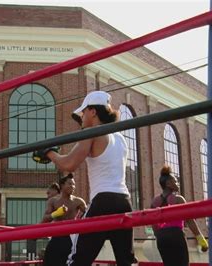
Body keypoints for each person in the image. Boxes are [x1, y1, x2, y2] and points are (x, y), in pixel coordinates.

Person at [33, 91, 137, 266]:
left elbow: (68, 164)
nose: (81, 116)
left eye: (83, 112)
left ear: (93, 112)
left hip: (103, 200)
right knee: (126, 261)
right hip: (124, 202)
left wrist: (49, 152)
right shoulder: (120, 138)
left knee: (78, 259)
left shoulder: (92, 132)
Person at [150, 165, 208, 266]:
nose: (178, 183)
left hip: (161, 237)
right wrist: (201, 239)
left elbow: (153, 224)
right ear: (168, 184)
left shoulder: (155, 201)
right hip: (176, 235)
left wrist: (159, 236)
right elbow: (189, 220)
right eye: (175, 181)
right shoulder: (178, 199)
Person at [41, 174, 87, 266]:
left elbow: (89, 216)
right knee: (49, 261)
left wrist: (80, 223)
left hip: (71, 239)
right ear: (62, 185)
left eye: (74, 184)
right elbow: (45, 219)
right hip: (57, 237)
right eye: (70, 184)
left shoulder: (78, 201)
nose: (73, 186)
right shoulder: (53, 201)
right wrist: (56, 213)